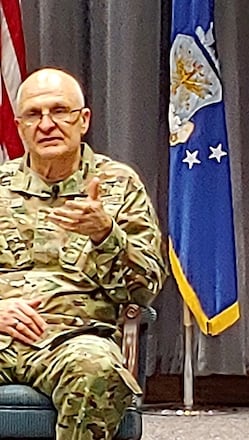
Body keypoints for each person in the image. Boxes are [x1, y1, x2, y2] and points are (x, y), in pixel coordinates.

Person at [3, 67, 166, 439]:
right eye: (34, 114)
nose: (47, 124)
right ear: (19, 125)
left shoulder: (118, 184)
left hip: (74, 339)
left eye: (60, 111)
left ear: (84, 120)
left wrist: (107, 234)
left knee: (98, 368)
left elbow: (145, 288)